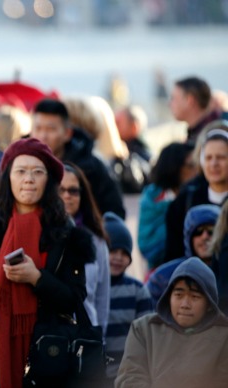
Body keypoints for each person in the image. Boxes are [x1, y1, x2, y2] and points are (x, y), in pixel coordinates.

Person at [0, 137, 94, 387]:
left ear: (48, 180)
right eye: (21, 171)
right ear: (8, 177)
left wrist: (36, 278)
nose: (29, 179)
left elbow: (75, 297)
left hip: (49, 349)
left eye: (38, 172)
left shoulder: (65, 230)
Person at [115, 257, 228, 387]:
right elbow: (129, 378)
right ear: (168, 296)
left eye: (195, 297)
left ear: (209, 303)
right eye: (178, 295)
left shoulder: (223, 335)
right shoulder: (144, 329)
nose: (185, 304)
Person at [31, 99, 126, 219]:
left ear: (67, 133)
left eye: (51, 129)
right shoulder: (19, 164)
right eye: (38, 129)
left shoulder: (92, 167)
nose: (43, 136)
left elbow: (114, 213)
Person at [60, 162, 111, 335]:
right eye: (61, 190)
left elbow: (102, 296)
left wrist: (100, 339)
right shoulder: (40, 234)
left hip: (87, 333)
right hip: (52, 337)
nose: (67, 195)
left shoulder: (96, 240)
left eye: (73, 190)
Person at [164, 128, 228, 262]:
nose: (214, 164)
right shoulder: (185, 200)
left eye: (221, 157)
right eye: (208, 158)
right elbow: (173, 253)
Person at [103, 212, 152, 383]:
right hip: (93, 373)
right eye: (112, 250)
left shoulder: (137, 290)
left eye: (124, 253)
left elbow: (147, 334)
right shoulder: (90, 288)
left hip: (126, 374)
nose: (118, 257)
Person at [146, 204, 220, 306]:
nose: (204, 237)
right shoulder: (162, 278)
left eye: (211, 231)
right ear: (188, 236)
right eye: (198, 231)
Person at [138, 142, 196, 269]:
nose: (197, 171)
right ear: (175, 167)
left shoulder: (198, 194)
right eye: (191, 165)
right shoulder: (152, 198)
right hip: (163, 273)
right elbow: (148, 246)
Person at [169, 76, 221, 144]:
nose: (170, 104)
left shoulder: (214, 137)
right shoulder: (199, 134)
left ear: (189, 100)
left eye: (173, 98)